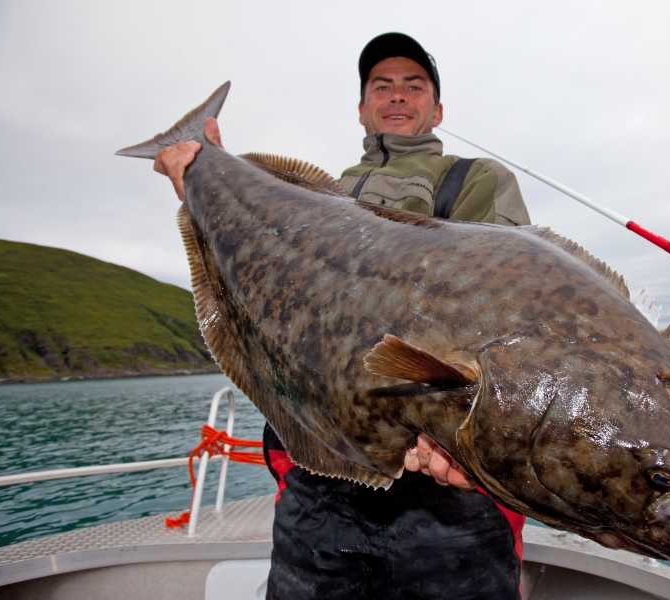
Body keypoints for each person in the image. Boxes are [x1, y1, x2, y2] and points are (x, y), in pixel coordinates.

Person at [153, 32, 531, 599]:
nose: (397, 95)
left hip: (445, 493)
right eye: (382, 86)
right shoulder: (324, 197)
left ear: (438, 109)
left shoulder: (477, 180)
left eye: (414, 85)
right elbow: (271, 304)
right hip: (319, 484)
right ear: (361, 109)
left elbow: (500, 311)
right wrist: (203, 182)